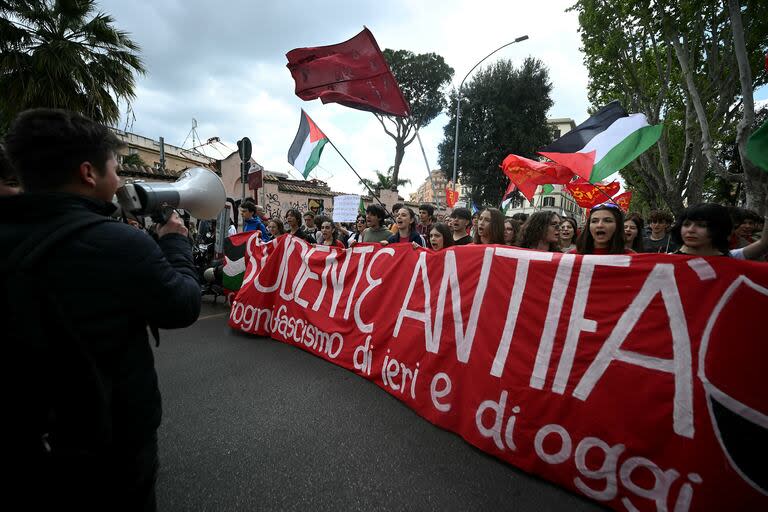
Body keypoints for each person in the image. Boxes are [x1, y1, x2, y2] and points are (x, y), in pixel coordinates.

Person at [0, 108, 201, 510]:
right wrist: (176, 243)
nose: (120, 180)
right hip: (109, 439)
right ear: (88, 173)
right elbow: (181, 305)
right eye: (115, 168)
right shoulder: (117, 244)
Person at [670, 203, 768, 260]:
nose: (690, 230)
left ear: (720, 229)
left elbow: (763, 244)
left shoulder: (731, 257)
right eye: (686, 224)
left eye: (702, 225)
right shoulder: (665, 261)